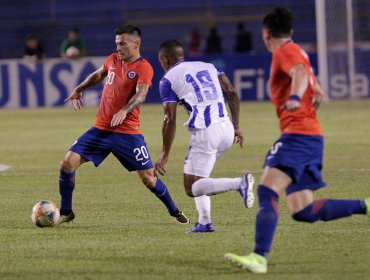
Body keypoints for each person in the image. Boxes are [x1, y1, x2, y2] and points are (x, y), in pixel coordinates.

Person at [224, 7, 370, 273]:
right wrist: (311, 94)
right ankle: (366, 206)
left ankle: (259, 257)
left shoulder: (285, 52)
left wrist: (294, 98)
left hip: (299, 136)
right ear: (289, 31)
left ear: (266, 35)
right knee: (303, 210)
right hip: (310, 137)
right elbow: (316, 88)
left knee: (267, 190)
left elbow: (301, 74)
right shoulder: (297, 50)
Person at [58, 25, 189, 226]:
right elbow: (98, 75)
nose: (118, 47)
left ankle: (174, 210)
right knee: (67, 163)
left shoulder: (144, 67)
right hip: (100, 130)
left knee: (148, 178)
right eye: (116, 43)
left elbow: (142, 94)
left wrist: (124, 110)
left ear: (136, 44)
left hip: (127, 134)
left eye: (122, 43)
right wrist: (79, 88)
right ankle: (66, 211)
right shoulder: (112, 59)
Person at [154, 40, 255, 233]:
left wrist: (165, 153)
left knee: (191, 187)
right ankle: (204, 222)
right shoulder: (208, 66)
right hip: (226, 129)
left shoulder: (167, 80)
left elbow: (169, 119)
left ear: (164, 59)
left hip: (205, 131)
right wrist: (237, 127)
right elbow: (231, 92)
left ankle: (239, 183)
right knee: (199, 176)